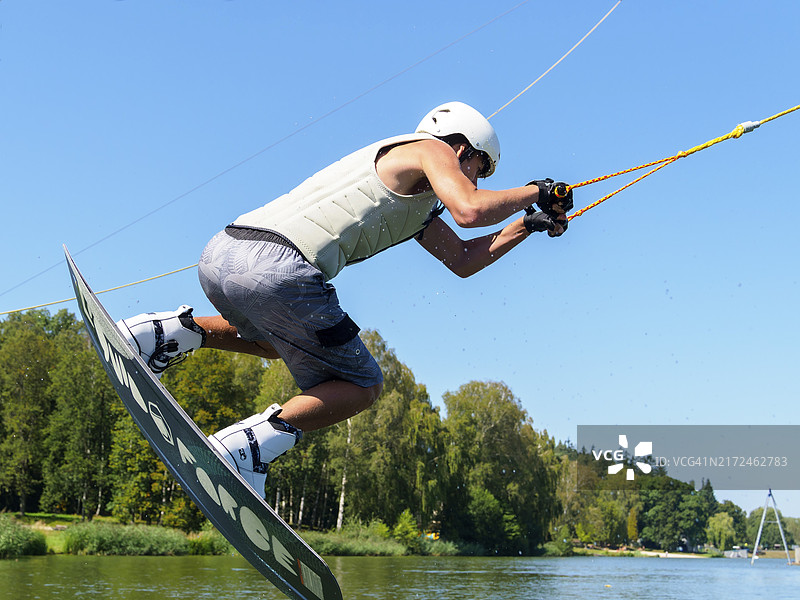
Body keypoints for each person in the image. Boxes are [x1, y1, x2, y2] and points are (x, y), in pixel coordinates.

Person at [117, 101, 573, 498]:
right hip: (281, 270)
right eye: (479, 168)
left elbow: (462, 259)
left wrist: (526, 224)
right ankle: (245, 449)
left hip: (224, 253)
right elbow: (470, 209)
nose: (475, 178)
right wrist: (536, 191)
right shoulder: (429, 149)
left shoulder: (412, 194)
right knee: (362, 384)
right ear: (461, 148)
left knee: (277, 344)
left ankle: (163, 333)